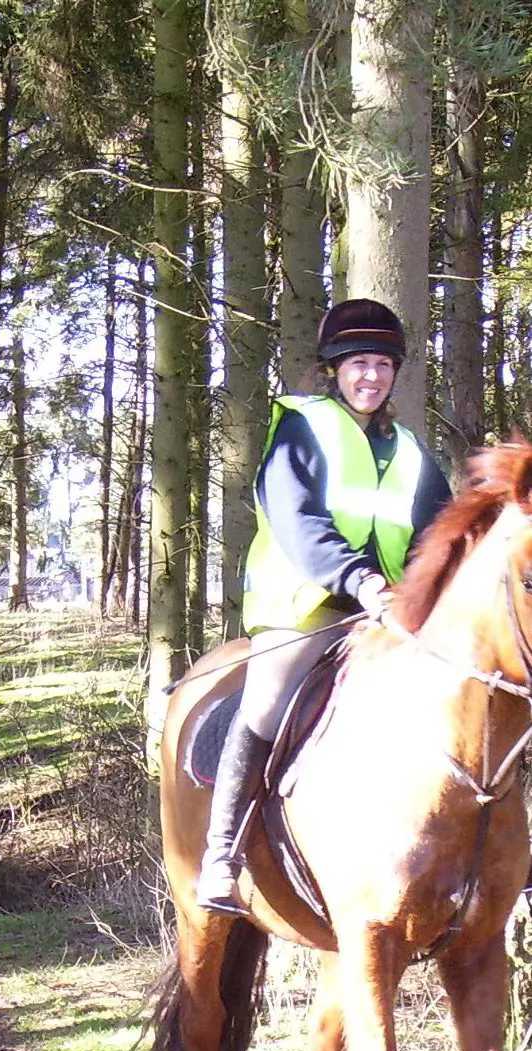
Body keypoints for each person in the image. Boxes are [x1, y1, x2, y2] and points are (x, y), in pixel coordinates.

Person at [197, 297, 451, 913]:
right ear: (334, 370)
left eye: (383, 364)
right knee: (265, 704)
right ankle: (222, 854)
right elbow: (299, 521)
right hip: (306, 605)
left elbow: (439, 533)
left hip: (387, 613)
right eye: (358, 362)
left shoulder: (411, 451)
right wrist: (359, 580)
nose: (371, 375)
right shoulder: (302, 427)